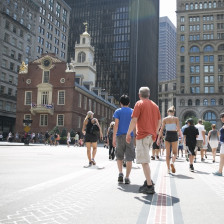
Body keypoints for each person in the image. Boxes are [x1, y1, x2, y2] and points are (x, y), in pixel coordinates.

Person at [126, 87, 161, 194]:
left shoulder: (139, 104)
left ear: (139, 94)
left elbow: (134, 120)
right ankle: (148, 181)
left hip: (142, 135)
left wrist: (128, 133)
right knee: (145, 159)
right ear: (149, 95)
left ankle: (149, 186)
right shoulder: (155, 105)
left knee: (144, 161)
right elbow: (160, 121)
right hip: (150, 136)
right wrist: (154, 132)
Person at [113, 95, 135, 184]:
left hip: (119, 136)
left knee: (119, 156)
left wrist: (113, 137)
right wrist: (135, 136)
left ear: (120, 103)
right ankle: (127, 177)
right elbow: (134, 125)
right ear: (129, 103)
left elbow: (116, 125)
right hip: (130, 136)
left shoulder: (117, 111)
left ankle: (120, 173)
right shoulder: (132, 111)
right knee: (129, 157)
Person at [157, 106, 182, 174]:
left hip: (167, 135)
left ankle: (168, 169)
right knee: (175, 153)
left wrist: (158, 139)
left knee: (167, 154)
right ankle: (172, 162)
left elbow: (161, 129)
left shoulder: (165, 119)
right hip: (174, 134)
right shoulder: (176, 118)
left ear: (168, 112)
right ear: (173, 112)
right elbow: (179, 129)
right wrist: (181, 137)